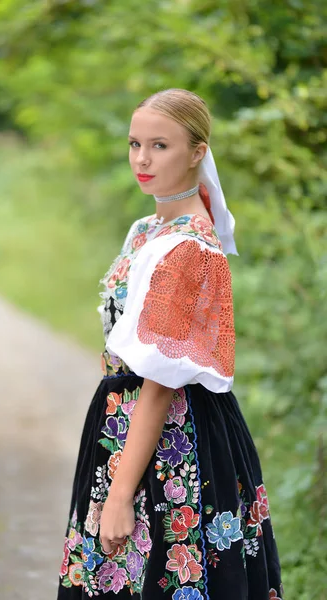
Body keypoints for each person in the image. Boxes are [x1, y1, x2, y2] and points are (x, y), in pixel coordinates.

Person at [57, 89, 283, 600]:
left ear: (198, 152)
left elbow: (159, 385)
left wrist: (119, 495)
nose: (142, 158)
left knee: (166, 571)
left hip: (174, 437)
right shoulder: (147, 229)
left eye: (160, 145)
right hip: (125, 423)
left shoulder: (188, 248)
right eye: (135, 143)